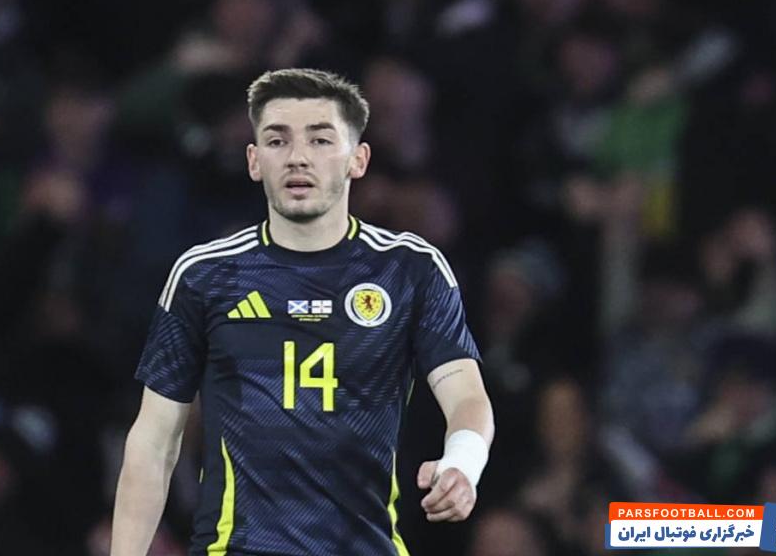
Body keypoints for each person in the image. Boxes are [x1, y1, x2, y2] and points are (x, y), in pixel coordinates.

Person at [111, 68, 495, 555]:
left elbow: (466, 395)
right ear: (254, 161)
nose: (297, 157)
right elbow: (153, 442)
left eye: (320, 140)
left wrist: (463, 462)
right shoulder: (204, 276)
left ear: (358, 159)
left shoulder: (410, 270)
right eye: (277, 141)